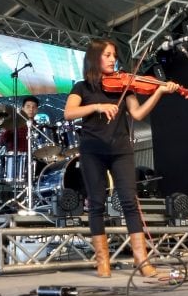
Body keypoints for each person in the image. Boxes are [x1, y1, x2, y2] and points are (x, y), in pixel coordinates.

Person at [64, 38, 178, 277]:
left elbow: (137, 114)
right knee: (96, 203)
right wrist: (96, 107)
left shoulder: (125, 85)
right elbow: (69, 113)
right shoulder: (82, 87)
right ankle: (102, 262)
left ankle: (142, 260)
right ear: (95, 57)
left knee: (129, 202)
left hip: (121, 149)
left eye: (114, 55)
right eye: (107, 55)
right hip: (92, 150)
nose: (112, 59)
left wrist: (158, 91)